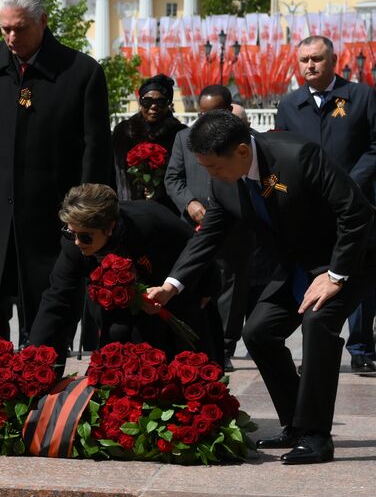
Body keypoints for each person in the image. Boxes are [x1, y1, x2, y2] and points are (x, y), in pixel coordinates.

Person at [147, 110, 376, 465]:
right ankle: (297, 423)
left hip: (349, 256)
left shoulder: (299, 156)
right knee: (258, 332)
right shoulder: (224, 179)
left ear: (241, 151)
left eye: (213, 168)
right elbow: (210, 234)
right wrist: (171, 285)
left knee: (318, 324)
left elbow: (356, 212)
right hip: (296, 263)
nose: (210, 176)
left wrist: (334, 275)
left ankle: (317, 437)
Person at [0, 0, 112, 341]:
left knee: (47, 330)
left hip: (54, 228)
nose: (11, 37)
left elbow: (95, 153)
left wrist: (86, 219)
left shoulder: (82, 73)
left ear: (42, 21)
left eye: (20, 28)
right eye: (5, 28)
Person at [275, 35, 376, 374]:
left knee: (358, 274)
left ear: (334, 59)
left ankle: (362, 348)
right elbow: (282, 151)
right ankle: (313, 351)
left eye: (316, 59)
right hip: (312, 211)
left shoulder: (360, 96)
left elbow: (374, 147)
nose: (310, 65)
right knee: (314, 279)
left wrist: (350, 183)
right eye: (304, 60)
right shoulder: (290, 104)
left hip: (355, 205)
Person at [31, 184, 215, 361]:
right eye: (70, 233)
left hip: (168, 295)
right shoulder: (74, 245)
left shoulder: (150, 219)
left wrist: (207, 288)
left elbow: (197, 249)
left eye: (85, 236)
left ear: (110, 227)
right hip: (115, 310)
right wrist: (38, 362)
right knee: (115, 345)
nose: (77, 242)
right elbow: (56, 302)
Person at [165, 85, 250, 370]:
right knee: (192, 281)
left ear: (227, 111)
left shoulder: (242, 140)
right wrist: (189, 204)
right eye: (200, 113)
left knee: (229, 287)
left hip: (231, 226)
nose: (204, 118)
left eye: (211, 112)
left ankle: (224, 347)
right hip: (193, 225)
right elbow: (173, 178)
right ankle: (191, 343)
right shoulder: (183, 138)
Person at [112, 74, 183, 214]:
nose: (153, 106)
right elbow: (112, 170)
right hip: (127, 208)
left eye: (161, 102)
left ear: (169, 103)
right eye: (147, 101)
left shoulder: (179, 134)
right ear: (140, 101)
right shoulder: (123, 131)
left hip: (167, 210)